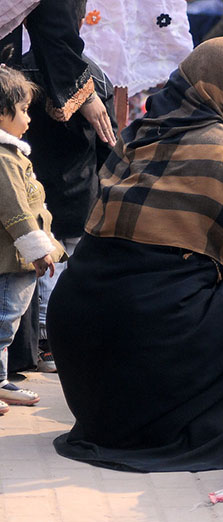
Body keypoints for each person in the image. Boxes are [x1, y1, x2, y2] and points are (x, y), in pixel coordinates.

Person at [47, 36, 223, 472]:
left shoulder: (139, 134)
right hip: (141, 343)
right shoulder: (222, 150)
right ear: (222, 95)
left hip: (80, 340)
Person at [22, 0, 119, 372]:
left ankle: (42, 343)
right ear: (79, 22)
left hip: (30, 200)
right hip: (78, 199)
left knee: (38, 274)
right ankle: (66, 342)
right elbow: (106, 148)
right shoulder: (95, 79)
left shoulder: (14, 76)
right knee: (68, 273)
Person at [0, 63, 65, 413]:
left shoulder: (9, 155)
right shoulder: (3, 159)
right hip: (11, 260)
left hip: (15, 259)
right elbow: (17, 212)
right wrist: (40, 252)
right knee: (3, 321)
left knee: (5, 323)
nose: (28, 119)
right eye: (23, 111)